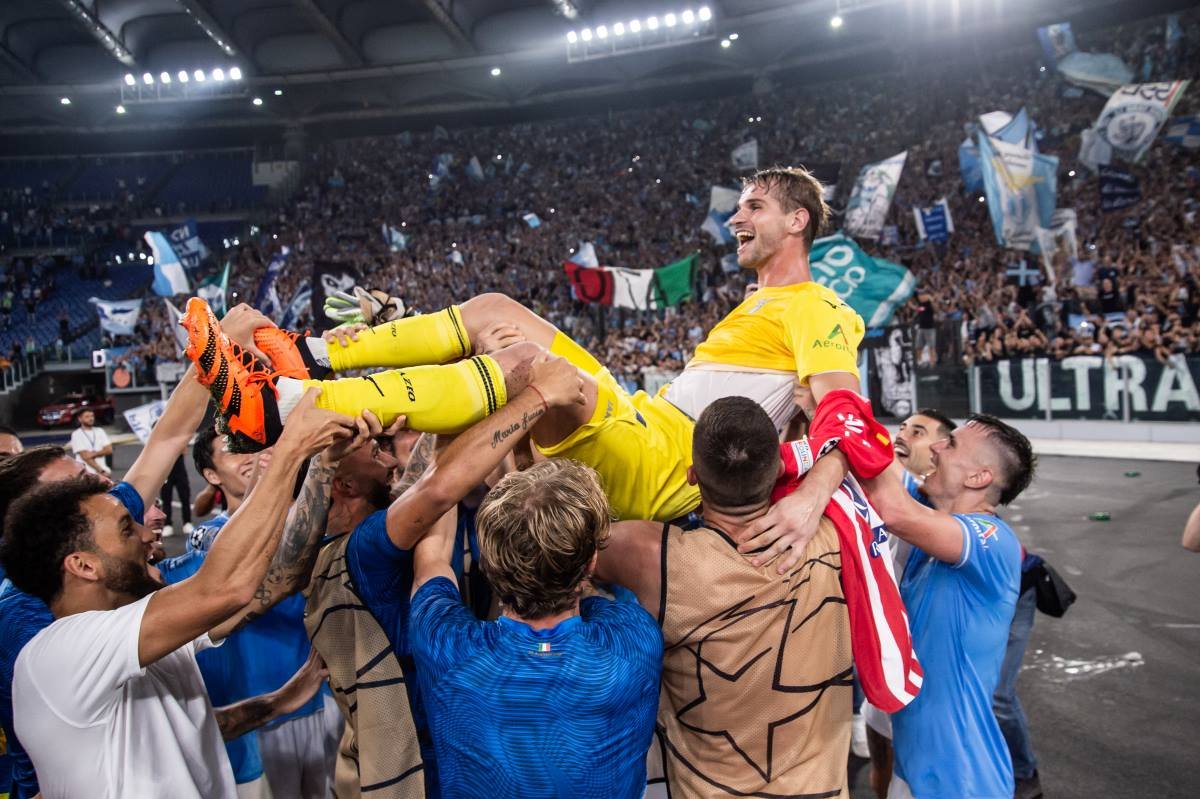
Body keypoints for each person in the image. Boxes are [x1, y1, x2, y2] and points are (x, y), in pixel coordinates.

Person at [188, 166, 869, 573]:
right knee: (492, 309)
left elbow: (848, 413)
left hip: (663, 467)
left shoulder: (818, 306)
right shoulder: (760, 305)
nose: (737, 216)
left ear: (798, 219)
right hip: (641, 418)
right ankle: (303, 362)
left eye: (755, 206)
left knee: (523, 365)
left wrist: (812, 498)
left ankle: (281, 406)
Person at [0, 390, 354, 798]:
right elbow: (228, 588)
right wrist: (290, 452)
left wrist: (276, 703)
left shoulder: (140, 631)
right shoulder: (56, 654)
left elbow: (273, 583)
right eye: (126, 529)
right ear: (83, 565)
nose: (149, 532)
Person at [306, 350, 587, 797]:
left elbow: (435, 474)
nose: (389, 454)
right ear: (343, 485)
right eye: (372, 447)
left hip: (438, 754)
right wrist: (536, 395)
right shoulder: (364, 551)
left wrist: (460, 390)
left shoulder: (361, 543)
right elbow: (438, 487)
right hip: (430, 768)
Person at [594, 396, 852, 798]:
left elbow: (555, 537)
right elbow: (854, 441)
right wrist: (819, 486)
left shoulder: (654, 557)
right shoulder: (835, 535)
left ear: (692, 475)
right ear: (782, 465)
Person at [407, 447, 660, 795]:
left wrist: (450, 439)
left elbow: (432, 554)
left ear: (491, 564)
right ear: (589, 564)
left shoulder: (447, 648)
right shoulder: (634, 640)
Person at [859, 414, 1036, 799]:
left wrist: (842, 405)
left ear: (978, 478)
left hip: (963, 782)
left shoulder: (993, 538)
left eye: (951, 444)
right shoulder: (931, 541)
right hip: (917, 771)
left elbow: (895, 510)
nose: (937, 447)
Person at [862, 409, 957, 799]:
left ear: (941, 449)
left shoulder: (929, 506)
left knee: (912, 765)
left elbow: (895, 501)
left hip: (922, 666)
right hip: (888, 652)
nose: (901, 435)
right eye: (901, 427)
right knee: (881, 753)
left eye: (917, 432)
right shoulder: (901, 489)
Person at [69, 408, 112, 477]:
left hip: (103, 471)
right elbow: (85, 456)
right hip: (85, 473)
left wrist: (93, 454)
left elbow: (109, 450)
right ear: (80, 419)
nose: (91, 418)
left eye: (92, 416)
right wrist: (101, 470)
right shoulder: (76, 434)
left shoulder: (100, 431)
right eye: (87, 416)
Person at [159, 453, 193, 538]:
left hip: (179, 470)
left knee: (185, 497)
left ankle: (187, 522)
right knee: (166, 499)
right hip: (166, 471)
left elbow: (184, 450)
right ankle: (167, 525)